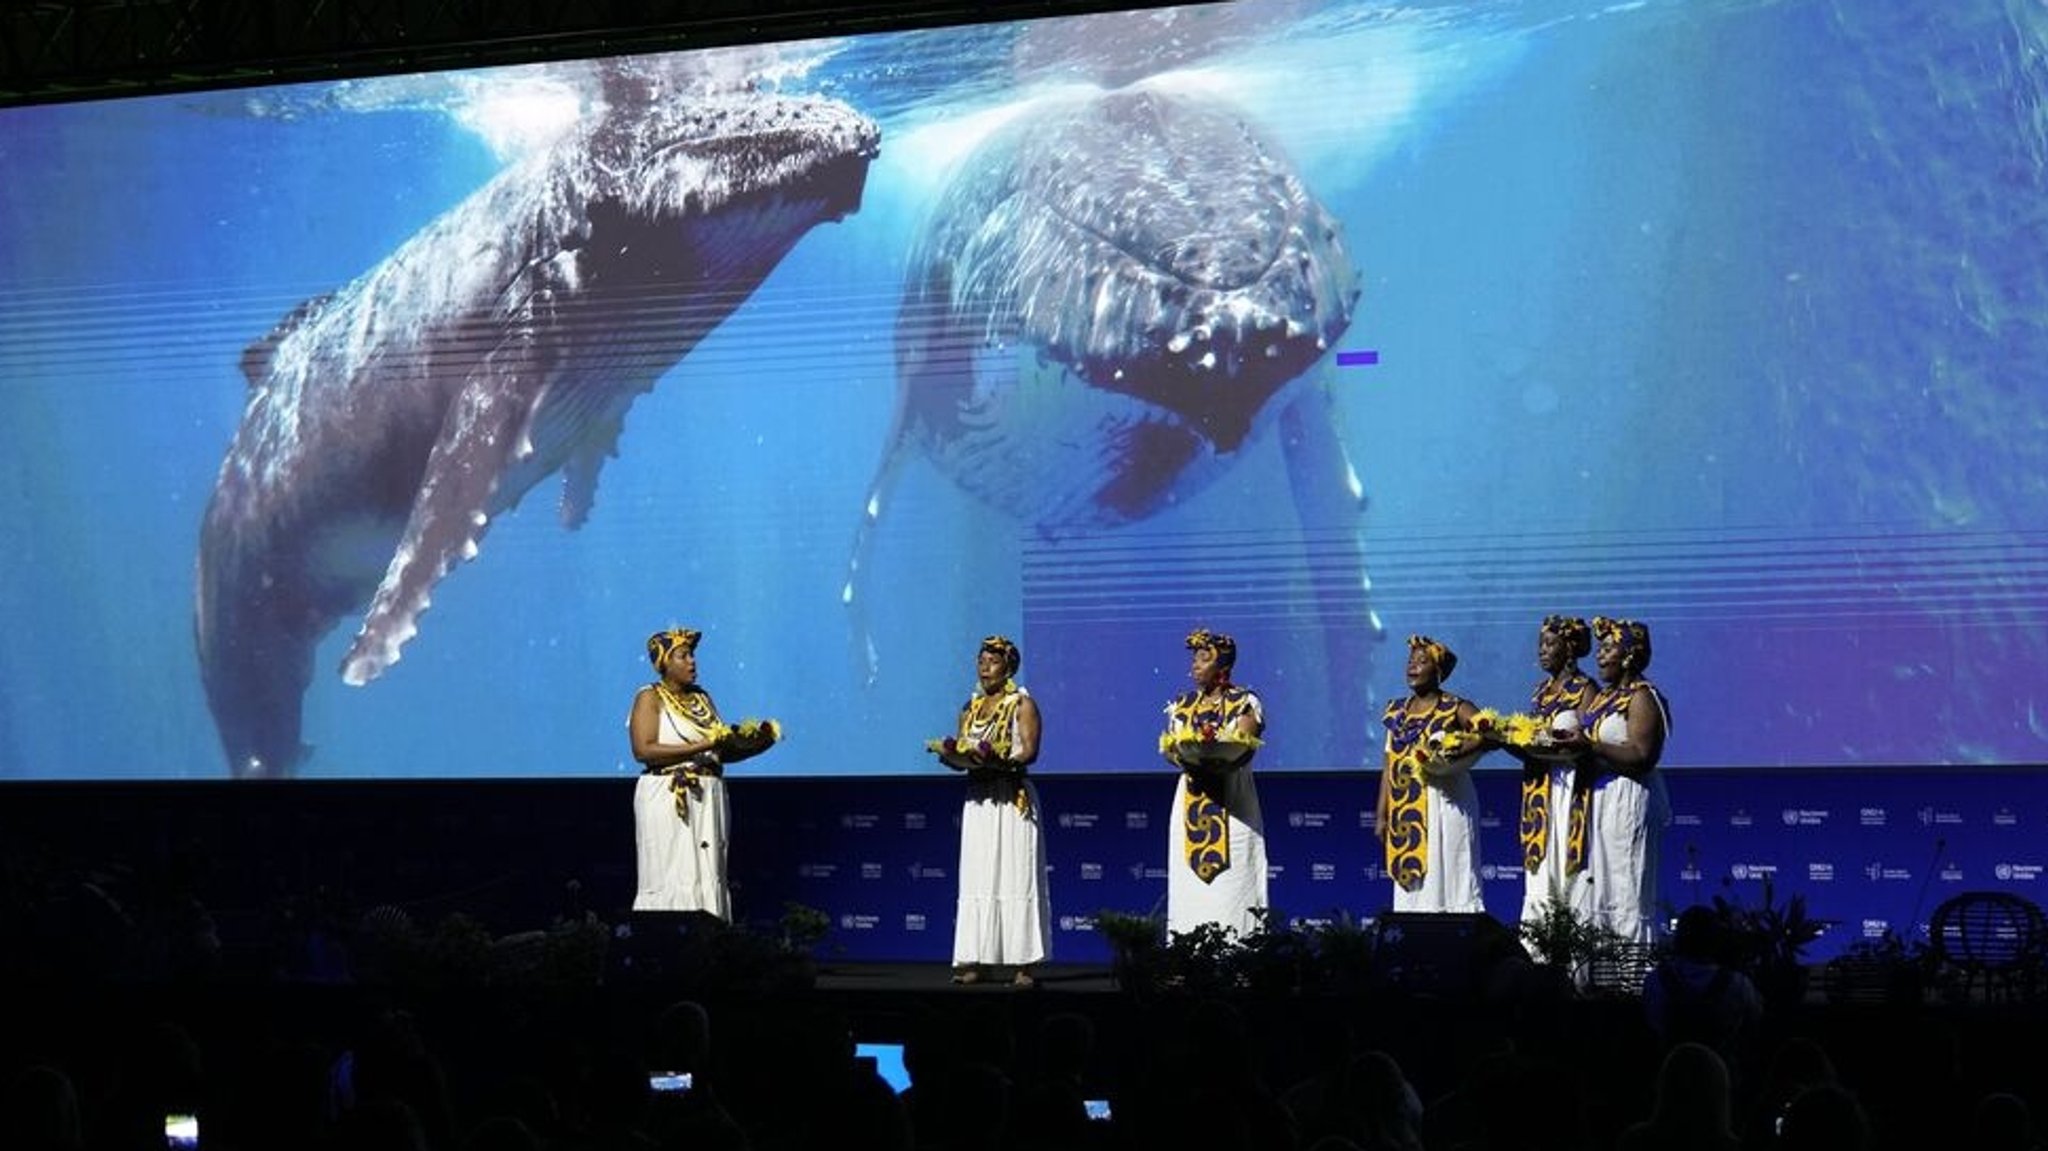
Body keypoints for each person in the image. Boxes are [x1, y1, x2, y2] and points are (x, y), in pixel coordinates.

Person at [936, 634, 1051, 986]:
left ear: (1009, 667)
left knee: (1017, 876)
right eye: (981, 659)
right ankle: (975, 960)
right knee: (978, 877)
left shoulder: (1022, 704)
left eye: (993, 660)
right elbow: (963, 751)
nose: (984, 665)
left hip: (1011, 798)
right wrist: (952, 757)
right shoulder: (969, 708)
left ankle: (1024, 965)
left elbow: (1029, 751)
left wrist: (1000, 759)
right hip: (979, 799)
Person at [1554, 616, 1672, 944]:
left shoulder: (1642, 696)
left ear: (1629, 656)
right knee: (1596, 889)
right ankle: (1593, 978)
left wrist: (1590, 746)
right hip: (1596, 800)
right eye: (1600, 649)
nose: (1600, 656)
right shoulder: (1603, 698)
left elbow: (1643, 755)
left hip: (1627, 798)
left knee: (1626, 887)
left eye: (1608, 649)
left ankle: (1630, 984)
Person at [629, 628, 744, 918]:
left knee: (708, 871)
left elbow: (718, 749)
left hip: (708, 795)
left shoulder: (702, 698)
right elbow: (643, 750)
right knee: (671, 871)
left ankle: (713, 942)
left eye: (692, 655)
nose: (692, 661)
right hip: (668, 795)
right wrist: (702, 745)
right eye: (683, 656)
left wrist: (754, 743)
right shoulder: (649, 697)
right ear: (665, 663)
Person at [1162, 628, 1269, 936]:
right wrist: (1184, 756)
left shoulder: (1244, 701)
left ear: (1222, 666)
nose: (1195, 664)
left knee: (1234, 883)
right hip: (1191, 802)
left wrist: (1219, 758)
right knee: (1189, 888)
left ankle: (1240, 963)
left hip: (1234, 805)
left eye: (1204, 658)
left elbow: (1245, 745)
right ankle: (1187, 957)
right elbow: (1172, 750)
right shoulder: (1183, 704)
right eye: (1194, 658)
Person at [1376, 635, 1486, 913]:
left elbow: (1490, 731)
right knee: (1412, 889)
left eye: (1422, 662)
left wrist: (1459, 749)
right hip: (1406, 809)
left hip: (1446, 806)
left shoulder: (1455, 706)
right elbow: (1389, 764)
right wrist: (1382, 815)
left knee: (1449, 875)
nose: (1413, 666)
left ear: (1438, 670)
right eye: (1410, 661)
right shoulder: (1396, 712)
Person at [1511, 615, 1600, 930]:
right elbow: (1531, 741)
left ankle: (1574, 965)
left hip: (1571, 789)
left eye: (1550, 644)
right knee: (1540, 876)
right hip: (1539, 789)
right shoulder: (1540, 692)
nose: (1542, 651)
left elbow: (1590, 742)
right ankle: (1538, 959)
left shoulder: (1586, 688)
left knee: (1569, 873)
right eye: (1540, 645)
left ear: (1570, 649)